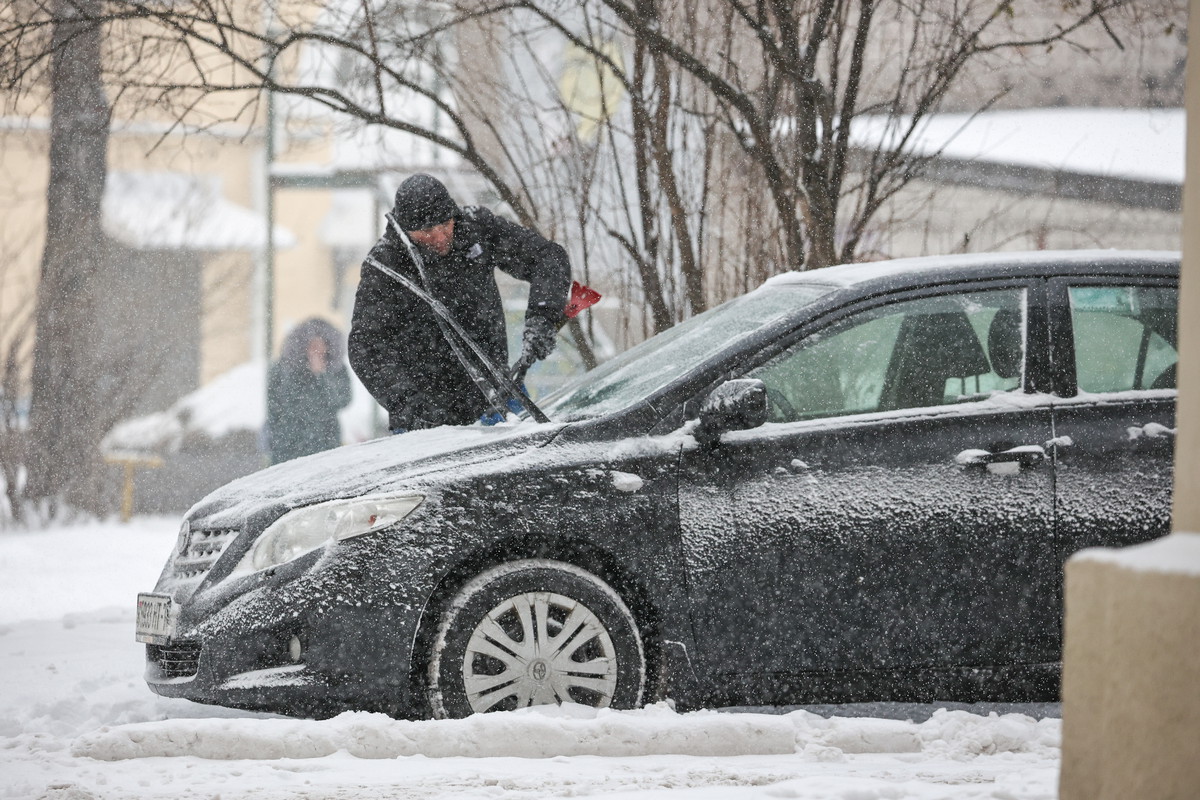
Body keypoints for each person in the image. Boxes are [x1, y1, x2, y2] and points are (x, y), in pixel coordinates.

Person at [349, 174, 570, 432]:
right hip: (425, 421)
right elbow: (365, 346)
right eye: (426, 232)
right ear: (406, 230)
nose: (440, 237)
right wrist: (409, 406)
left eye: (444, 225)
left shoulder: (476, 229)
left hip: (497, 400)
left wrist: (542, 317)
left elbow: (547, 257)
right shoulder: (385, 267)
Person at [266, 318, 353, 464]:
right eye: (312, 345)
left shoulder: (337, 369)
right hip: (289, 444)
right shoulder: (282, 368)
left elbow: (342, 400)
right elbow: (278, 404)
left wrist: (322, 375)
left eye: (321, 344)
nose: (316, 350)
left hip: (326, 442)